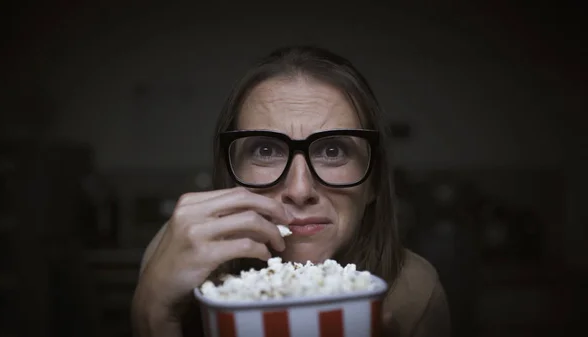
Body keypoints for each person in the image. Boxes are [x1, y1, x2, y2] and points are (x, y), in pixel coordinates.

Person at [132, 45, 450, 337]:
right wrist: (153, 315)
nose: (299, 190)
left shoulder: (415, 293)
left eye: (333, 151)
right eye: (267, 150)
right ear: (231, 176)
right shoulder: (178, 259)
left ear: (374, 183)